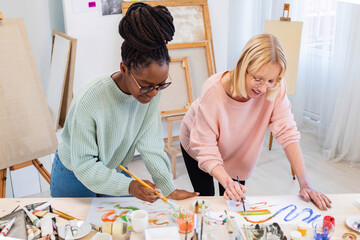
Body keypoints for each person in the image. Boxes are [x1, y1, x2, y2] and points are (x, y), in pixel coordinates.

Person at [50, 2, 198, 202]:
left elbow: (151, 144)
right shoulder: (90, 100)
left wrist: (168, 187)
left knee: (116, 227)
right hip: (74, 171)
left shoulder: (150, 93)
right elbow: (84, 164)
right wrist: (129, 185)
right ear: (124, 68)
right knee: (81, 229)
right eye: (146, 85)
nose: (153, 93)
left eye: (160, 85)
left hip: (112, 167)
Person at [179, 33, 331, 210]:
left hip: (237, 150)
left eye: (271, 81)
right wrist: (227, 181)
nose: (263, 87)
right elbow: (205, 147)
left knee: (233, 202)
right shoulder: (214, 91)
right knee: (207, 200)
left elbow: (287, 132)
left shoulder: (275, 87)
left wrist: (306, 183)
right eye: (257, 78)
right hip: (199, 144)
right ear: (243, 67)